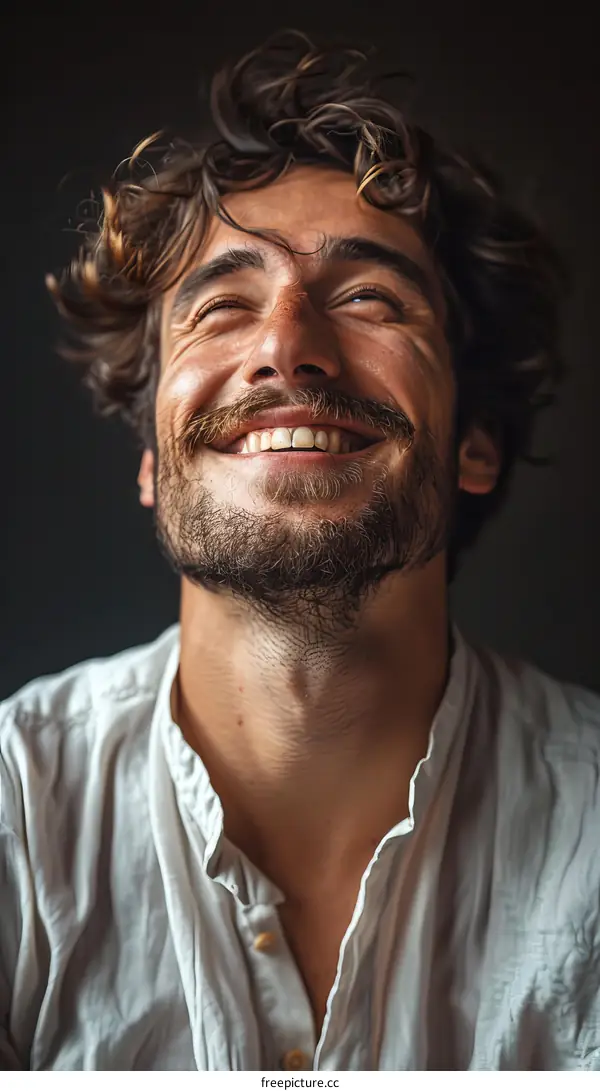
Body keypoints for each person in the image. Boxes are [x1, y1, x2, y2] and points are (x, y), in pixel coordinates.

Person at [1, 29, 599, 1073]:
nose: (287, 344)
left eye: (370, 298)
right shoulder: (14, 818)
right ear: (150, 456)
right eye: (223, 306)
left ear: (474, 443)